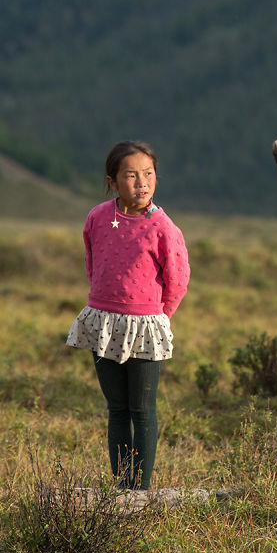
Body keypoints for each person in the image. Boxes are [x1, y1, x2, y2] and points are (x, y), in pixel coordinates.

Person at [66, 140, 190, 490]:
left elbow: (178, 280)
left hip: (146, 326)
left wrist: (157, 316)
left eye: (148, 174)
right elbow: (93, 263)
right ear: (113, 181)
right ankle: (121, 489)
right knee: (117, 408)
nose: (142, 183)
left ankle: (141, 492)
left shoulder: (163, 227)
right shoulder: (97, 217)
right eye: (131, 175)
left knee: (142, 410)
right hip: (104, 322)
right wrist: (105, 302)